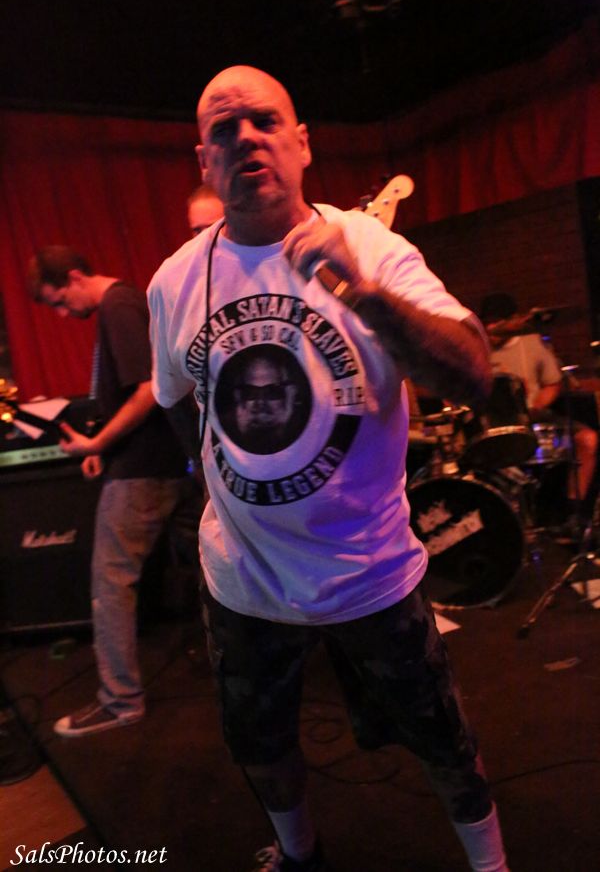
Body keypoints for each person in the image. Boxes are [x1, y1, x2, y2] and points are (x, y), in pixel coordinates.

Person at [148, 66, 508, 872]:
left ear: (302, 143)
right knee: (261, 741)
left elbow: (475, 377)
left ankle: (491, 863)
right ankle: (299, 855)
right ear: (203, 159)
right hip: (242, 579)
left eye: (265, 120)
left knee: (441, 735)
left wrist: (364, 292)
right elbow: (177, 400)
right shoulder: (173, 282)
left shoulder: (373, 248)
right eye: (223, 129)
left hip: (366, 569)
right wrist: (219, 482)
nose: (246, 138)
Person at [28, 246, 189, 736]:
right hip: (151, 463)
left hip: (143, 471)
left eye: (60, 301)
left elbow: (148, 390)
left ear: (76, 277)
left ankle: (120, 701)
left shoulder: (119, 305)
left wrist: (98, 442)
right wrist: (105, 446)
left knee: (110, 585)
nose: (62, 313)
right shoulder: (122, 305)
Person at [481, 292, 598, 537]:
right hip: (494, 425)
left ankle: (572, 517)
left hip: (534, 417)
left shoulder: (531, 342)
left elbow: (553, 383)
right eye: (487, 322)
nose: (491, 328)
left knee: (588, 440)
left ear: (514, 321)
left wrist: (535, 404)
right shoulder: (477, 348)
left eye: (497, 322)